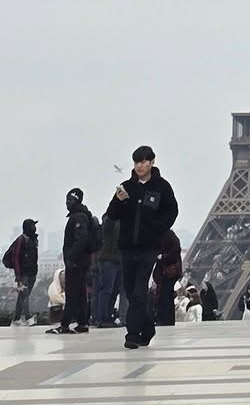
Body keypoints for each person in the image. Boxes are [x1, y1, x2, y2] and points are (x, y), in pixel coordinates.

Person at [113, 148, 178, 350]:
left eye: (143, 161)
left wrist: (156, 229)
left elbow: (172, 211)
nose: (139, 166)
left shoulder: (162, 187)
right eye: (136, 162)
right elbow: (112, 214)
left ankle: (132, 334)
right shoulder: (126, 187)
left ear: (151, 162)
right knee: (132, 293)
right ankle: (148, 326)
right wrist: (118, 201)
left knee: (139, 291)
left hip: (148, 249)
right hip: (127, 248)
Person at [50, 189, 100, 336]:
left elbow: (81, 239)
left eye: (70, 200)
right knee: (79, 294)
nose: (67, 203)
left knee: (72, 293)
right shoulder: (81, 216)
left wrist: (71, 257)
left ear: (77, 201)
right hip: (81, 261)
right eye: (66, 200)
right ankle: (82, 323)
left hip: (77, 262)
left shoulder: (78, 217)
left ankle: (65, 325)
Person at [91, 203, 122, 328]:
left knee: (113, 290)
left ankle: (107, 315)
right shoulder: (110, 219)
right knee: (106, 290)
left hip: (117, 259)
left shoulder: (115, 219)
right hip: (109, 258)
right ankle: (102, 317)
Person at [3, 221, 39, 328]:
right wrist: (18, 276)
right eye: (32, 225)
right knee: (24, 295)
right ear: (27, 227)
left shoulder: (33, 239)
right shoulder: (21, 240)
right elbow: (16, 258)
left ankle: (16, 319)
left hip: (32, 272)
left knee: (23, 295)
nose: (34, 227)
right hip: (23, 274)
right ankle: (28, 318)